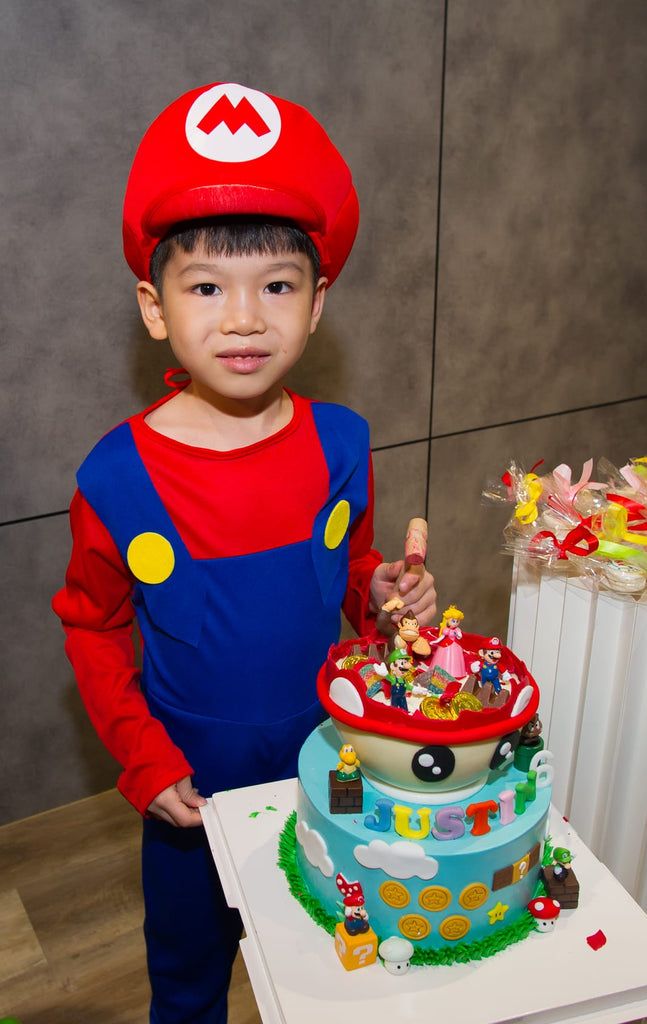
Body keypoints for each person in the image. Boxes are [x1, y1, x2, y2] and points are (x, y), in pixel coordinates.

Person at [52, 82, 436, 1024]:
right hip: (191, 786)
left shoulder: (342, 442)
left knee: (331, 950)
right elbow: (92, 630)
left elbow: (347, 574)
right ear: (154, 307)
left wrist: (383, 594)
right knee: (189, 979)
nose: (244, 318)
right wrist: (142, 757)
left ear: (316, 304)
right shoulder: (115, 475)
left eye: (276, 285)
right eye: (206, 288)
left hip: (330, 761)